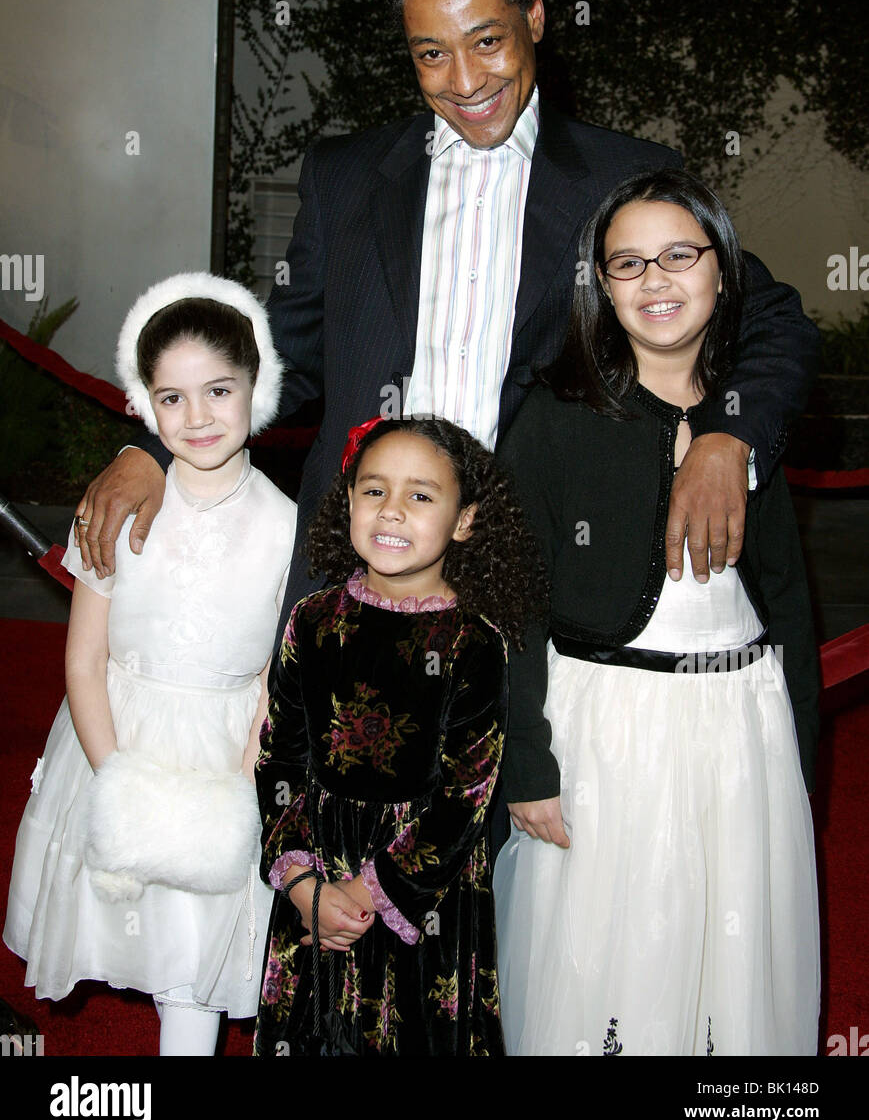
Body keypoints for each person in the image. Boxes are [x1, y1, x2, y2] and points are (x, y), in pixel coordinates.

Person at [71, 0, 820, 652]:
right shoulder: (345, 178)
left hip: (541, 569)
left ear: (533, 14)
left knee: (523, 775)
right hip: (359, 564)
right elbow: (279, 360)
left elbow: (769, 317)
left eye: (486, 41)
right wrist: (153, 450)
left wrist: (725, 437)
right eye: (430, 54)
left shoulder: (622, 176)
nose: (463, 81)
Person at [492, 170, 820, 1056]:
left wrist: (801, 741)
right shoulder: (554, 418)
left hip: (740, 723)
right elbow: (512, 595)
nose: (656, 281)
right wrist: (526, 755)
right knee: (613, 960)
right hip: (605, 727)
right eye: (627, 263)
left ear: (722, 271)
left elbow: (786, 595)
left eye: (680, 255)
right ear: (600, 284)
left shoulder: (751, 425)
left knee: (730, 961)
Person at [3, 274, 298, 1056]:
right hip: (115, 740)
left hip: (225, 752)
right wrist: (118, 781)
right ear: (144, 402)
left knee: (194, 955)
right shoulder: (117, 506)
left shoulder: (286, 527)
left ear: (256, 389)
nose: (196, 418)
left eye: (217, 391)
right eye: (172, 398)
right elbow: (84, 657)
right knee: (127, 919)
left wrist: (240, 784)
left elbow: (277, 676)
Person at [253, 415, 545, 1056]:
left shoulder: (475, 644)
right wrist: (304, 884)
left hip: (420, 891)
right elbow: (280, 758)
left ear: (464, 521)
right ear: (348, 501)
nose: (391, 511)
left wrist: (365, 894)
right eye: (373, 489)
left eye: (420, 495)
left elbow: (465, 796)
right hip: (319, 866)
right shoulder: (312, 619)